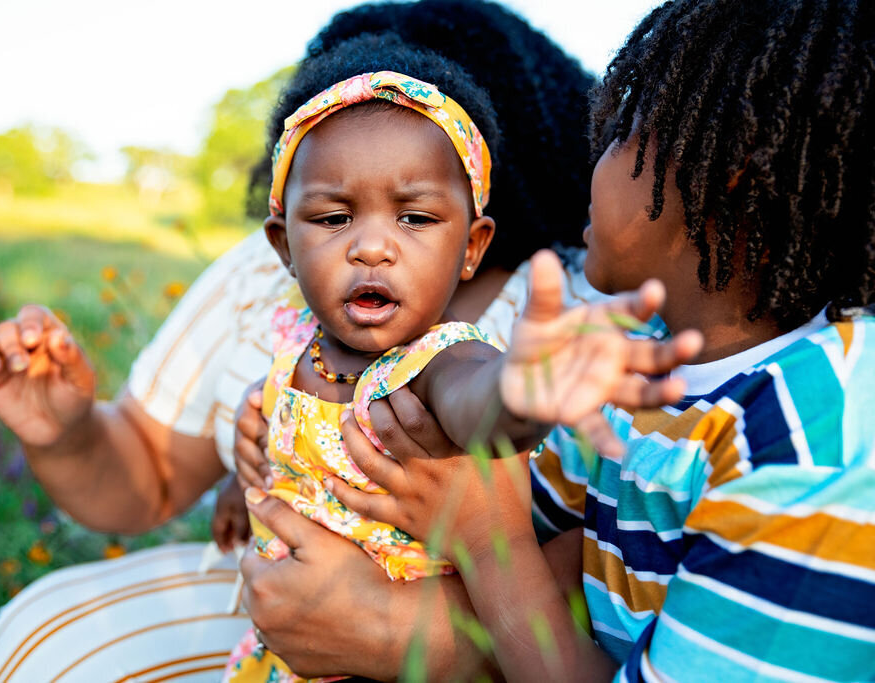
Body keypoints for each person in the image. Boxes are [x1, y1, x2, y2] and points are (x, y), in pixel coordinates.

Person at [0, 2, 602, 680]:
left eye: (414, 212)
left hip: (467, 642)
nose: (372, 245)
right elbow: (150, 468)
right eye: (332, 212)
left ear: (478, 224)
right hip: (267, 635)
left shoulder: (545, 311)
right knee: (31, 639)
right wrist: (68, 432)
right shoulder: (276, 296)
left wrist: (523, 391)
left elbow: (486, 403)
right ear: (284, 235)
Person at [246, 0, 875, 679]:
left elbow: (500, 524)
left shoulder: (814, 456)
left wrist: (481, 545)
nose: (589, 160)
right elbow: (546, 532)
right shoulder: (646, 360)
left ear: (722, 166)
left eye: (618, 132)